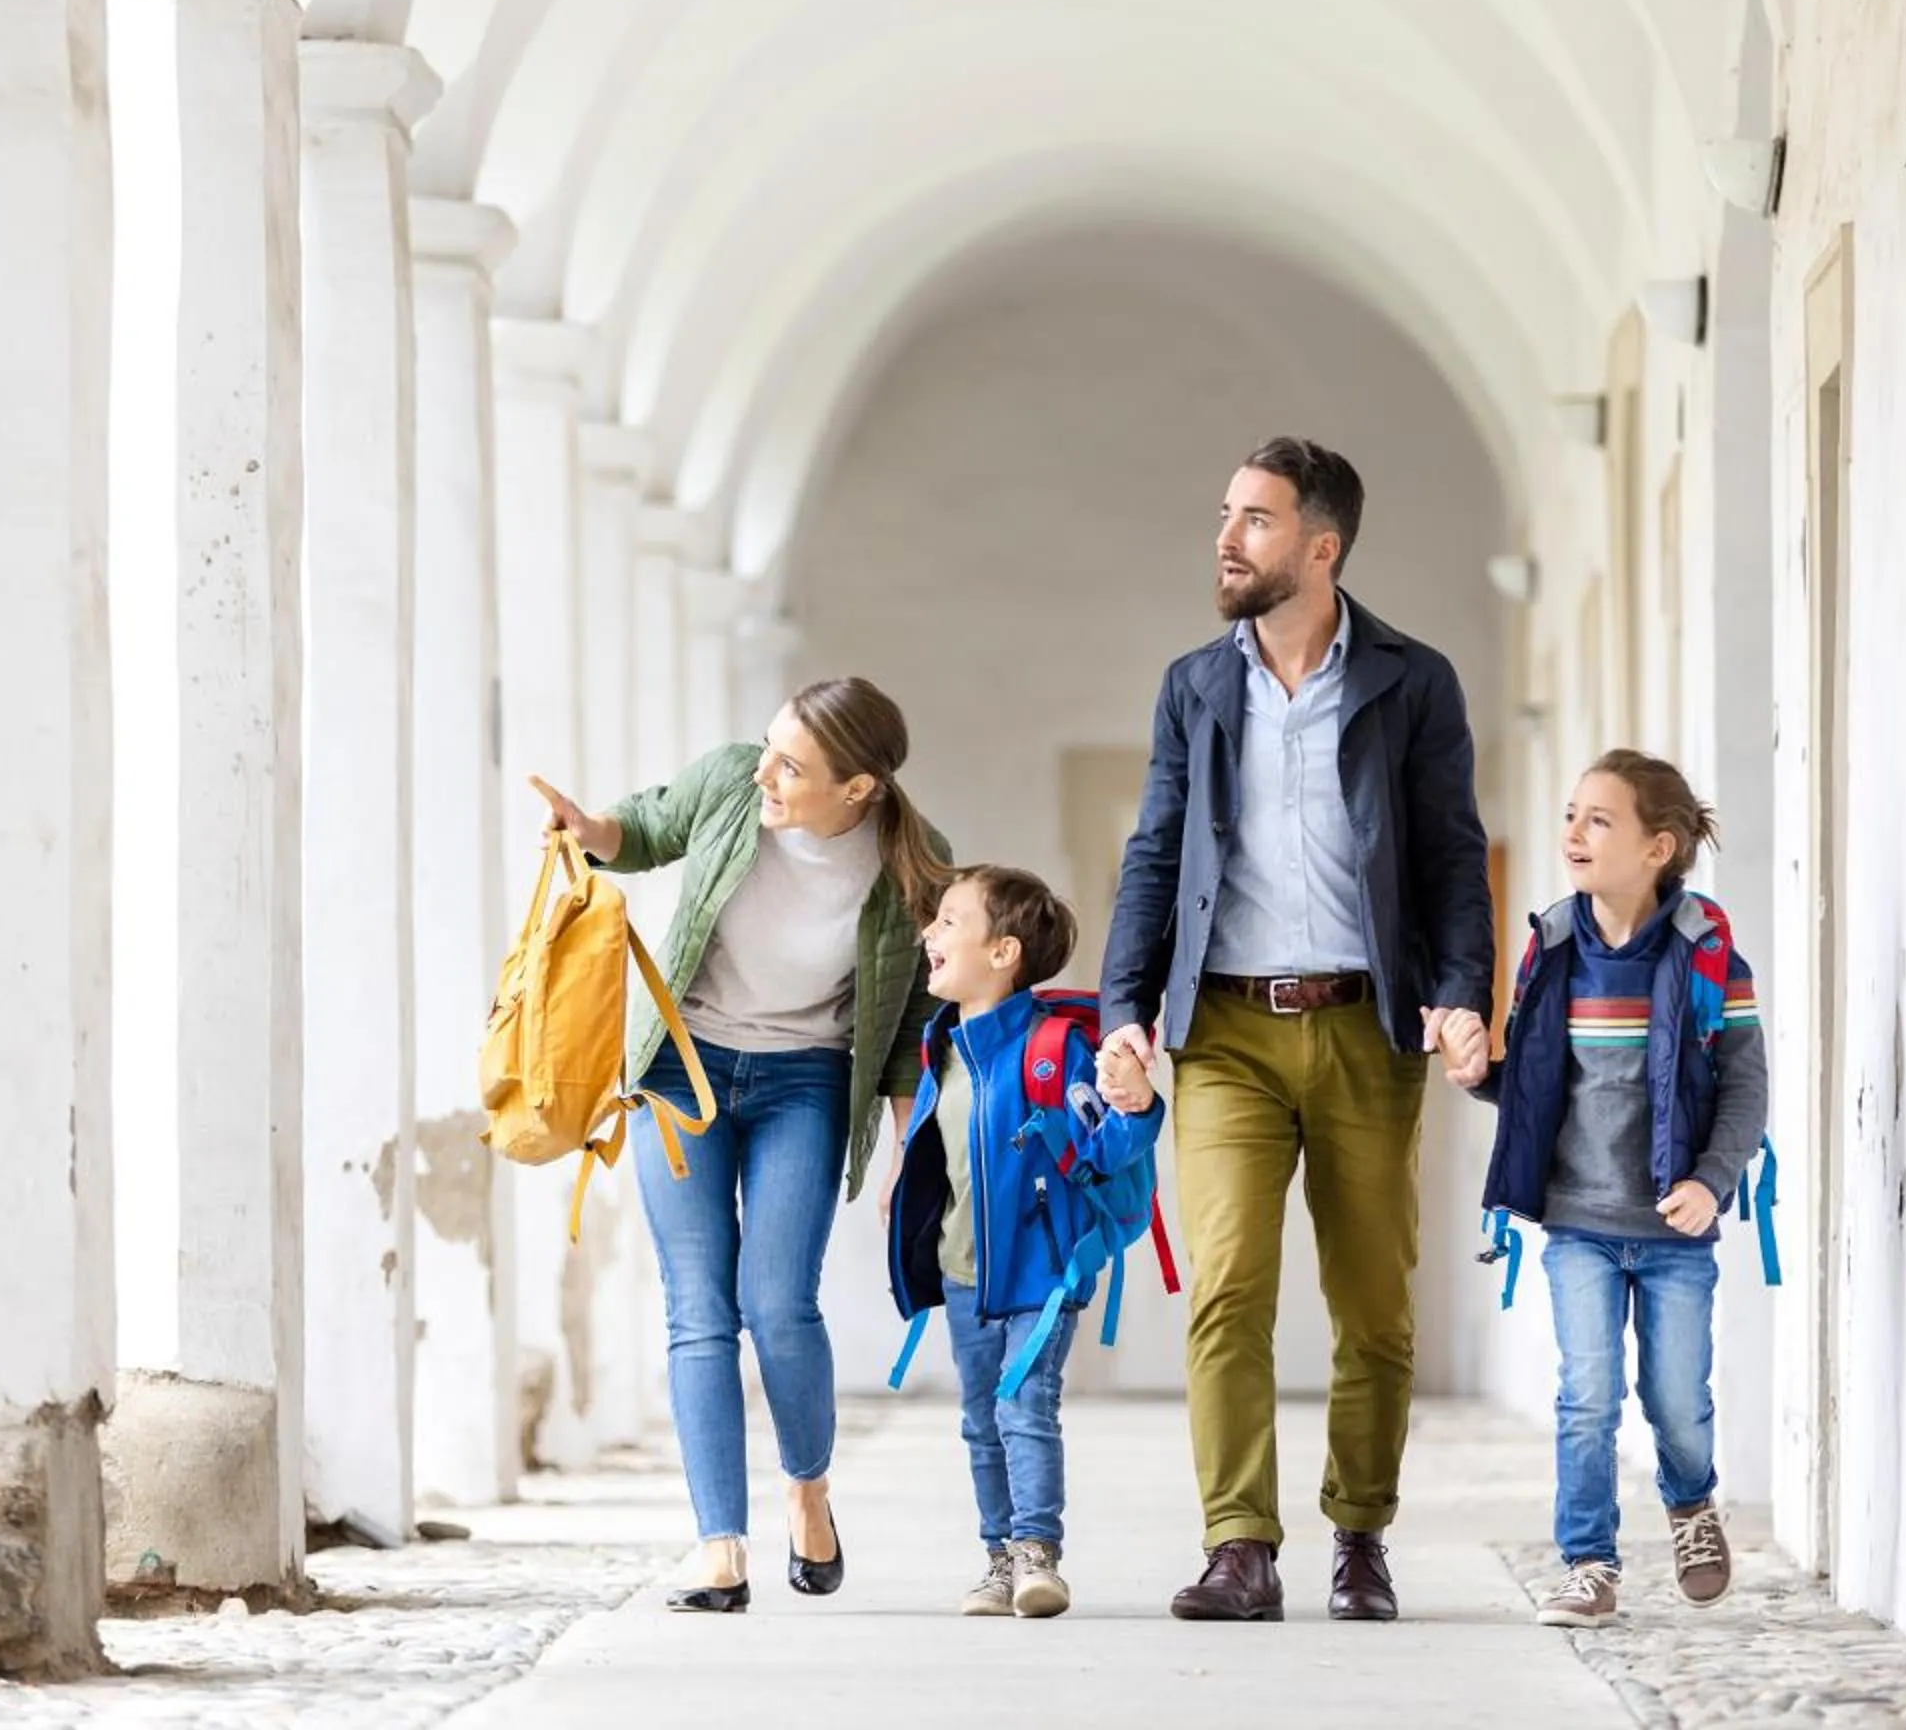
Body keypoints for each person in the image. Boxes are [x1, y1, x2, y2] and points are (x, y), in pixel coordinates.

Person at [1096, 436, 1496, 1624]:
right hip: (1223, 1027)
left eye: (1256, 519)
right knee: (1225, 1286)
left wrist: (1463, 986)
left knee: (1373, 1300)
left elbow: (1451, 855)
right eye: (1226, 512)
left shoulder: (1412, 681)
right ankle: (1239, 1543)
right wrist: (1129, 1011)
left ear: (1322, 546)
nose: (1227, 536)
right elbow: (1155, 853)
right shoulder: (1194, 684)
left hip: (1368, 1026)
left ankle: (1360, 1533)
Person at [529, 676, 949, 1613]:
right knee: (698, 1309)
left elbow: (915, 1017)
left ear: (858, 789)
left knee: (777, 1302)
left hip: (806, 1081)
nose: (765, 770)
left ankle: (808, 1489)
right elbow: (642, 828)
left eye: (792, 765)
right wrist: (588, 829)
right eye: (769, 745)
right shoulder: (732, 786)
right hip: (681, 1071)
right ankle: (720, 1545)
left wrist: (903, 1147)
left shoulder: (912, 864)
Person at [1449, 749, 1769, 1629]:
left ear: (1657, 847)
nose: (1573, 833)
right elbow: (1537, 1078)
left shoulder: (1710, 957)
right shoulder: (1553, 947)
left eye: (1599, 819)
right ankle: (1588, 1564)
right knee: (1586, 1395)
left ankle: (1692, 1504)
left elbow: (1745, 1086)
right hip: (1579, 1223)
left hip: (1675, 1229)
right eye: (1570, 814)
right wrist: (1481, 1071)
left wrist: (1712, 1181)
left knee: (1676, 1400)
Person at [887, 866, 1164, 1620]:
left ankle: (1039, 1554)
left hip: (1042, 1270)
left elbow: (1106, 1148)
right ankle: (999, 1561)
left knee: (1023, 1406)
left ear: (1003, 952)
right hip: (962, 1273)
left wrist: (1136, 1103)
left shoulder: (1052, 1051)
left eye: (949, 922)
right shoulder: (942, 1047)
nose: (929, 935)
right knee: (981, 1418)